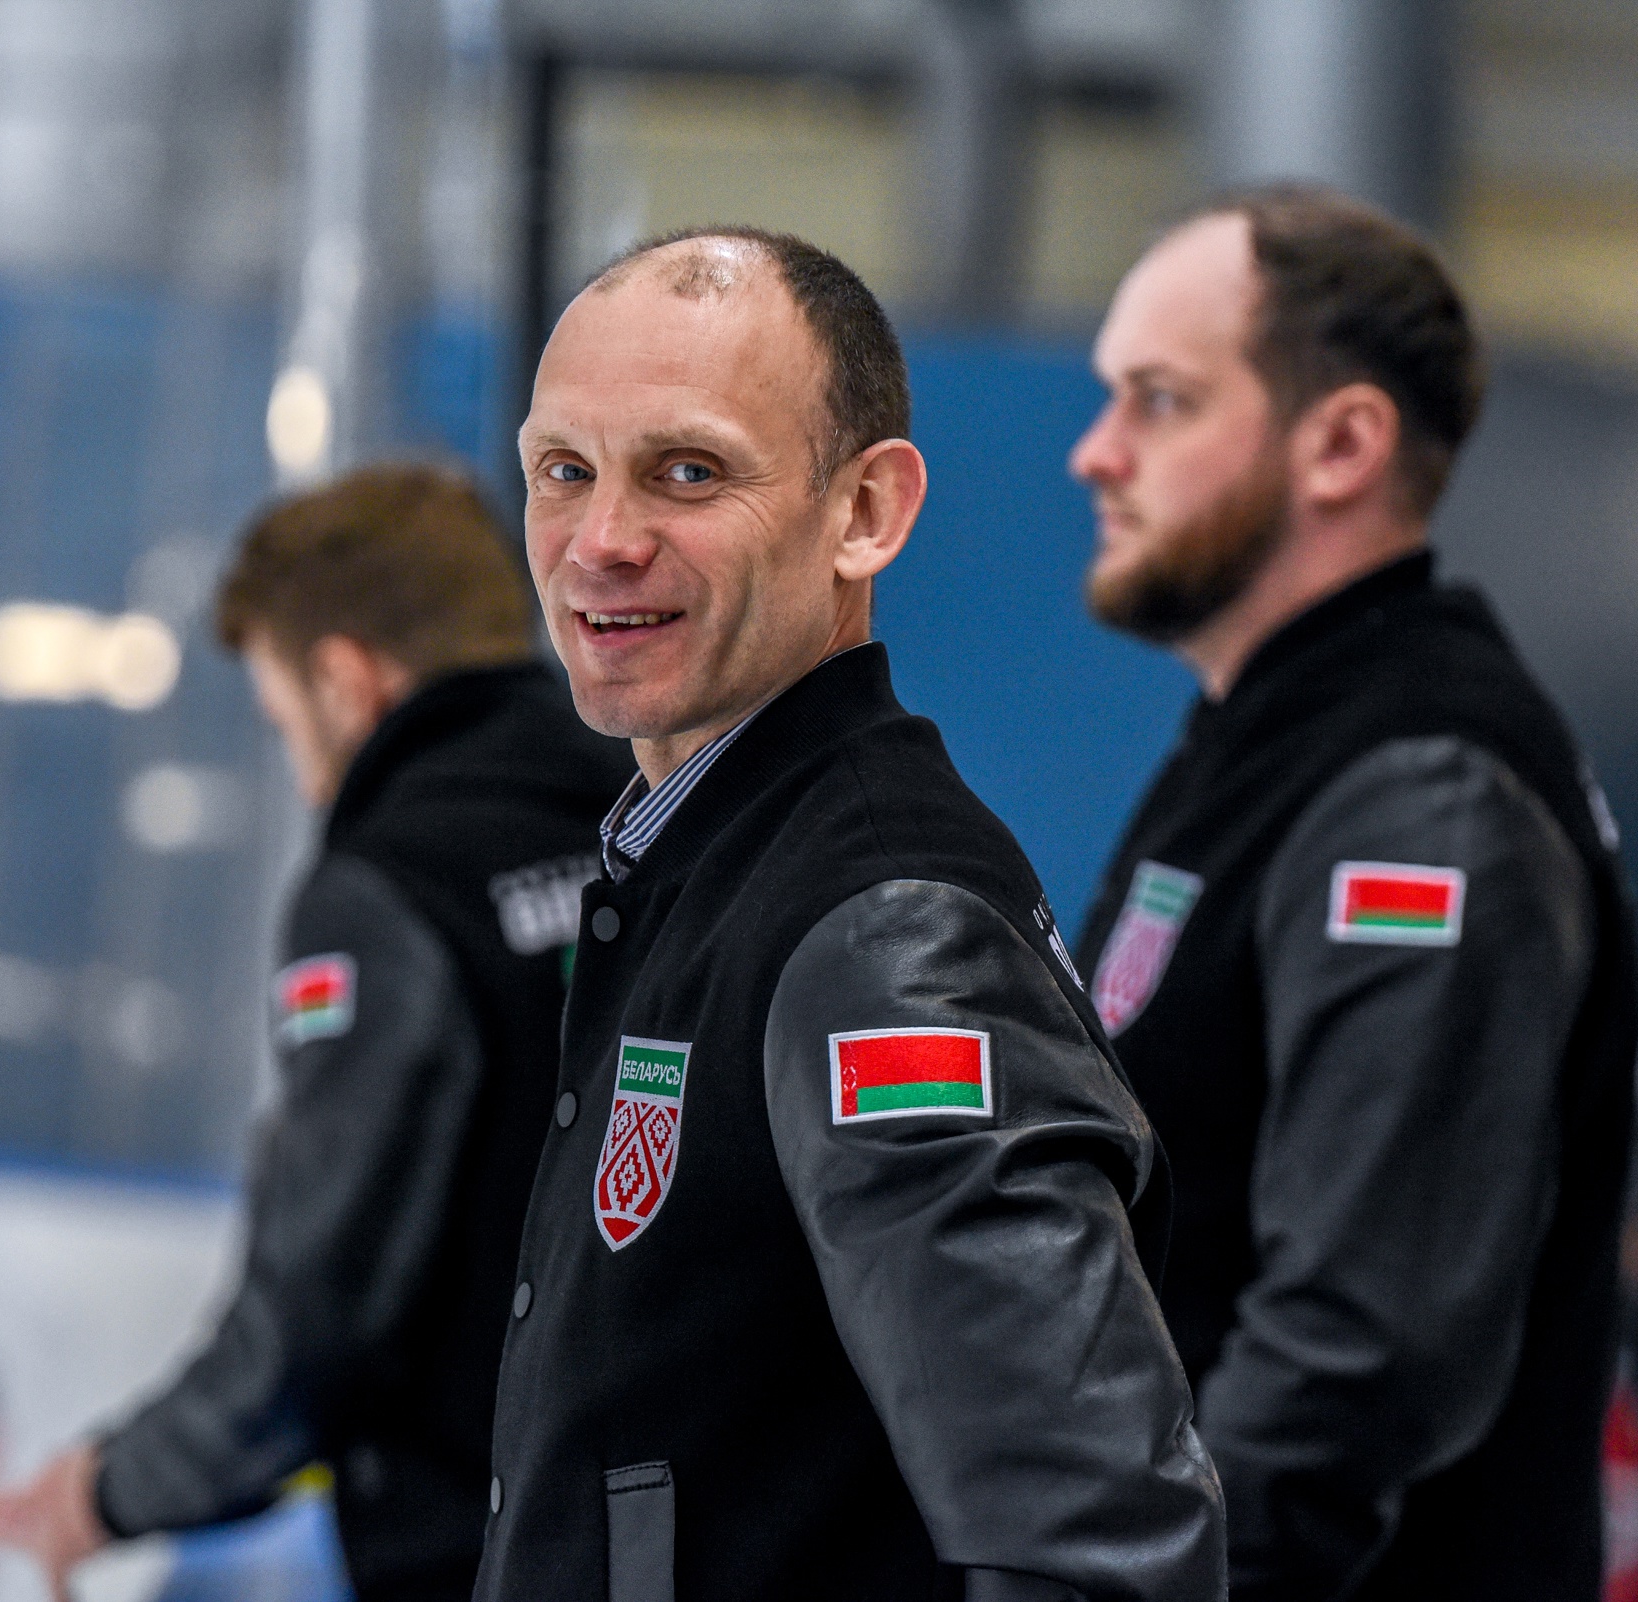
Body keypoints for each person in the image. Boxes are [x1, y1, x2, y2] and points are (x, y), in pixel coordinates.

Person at [476, 226, 1223, 1602]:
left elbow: (1093, 1542)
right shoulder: (703, 863)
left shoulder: (885, 932)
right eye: (563, 471)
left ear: (865, 511)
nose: (602, 542)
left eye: (688, 473)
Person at [1065, 184, 1638, 1600]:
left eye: (1159, 400)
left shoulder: (1424, 791)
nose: (1096, 452)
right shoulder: (1265, 739)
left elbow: (1358, 1349)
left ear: (1341, 443)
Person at [0, 464, 632, 1602]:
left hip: (481, 1546)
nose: (304, 772)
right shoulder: (654, 815)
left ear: (345, 681)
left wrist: (108, 1491)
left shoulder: (385, 893)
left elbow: (321, 1301)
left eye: (285, 725)